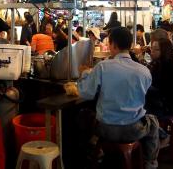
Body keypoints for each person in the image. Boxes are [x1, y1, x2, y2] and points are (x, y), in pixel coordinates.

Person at [66, 27, 159, 169]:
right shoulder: (144, 71)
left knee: (82, 116)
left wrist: (85, 75)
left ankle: (92, 153)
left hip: (106, 130)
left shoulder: (103, 67)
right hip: (134, 130)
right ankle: (150, 163)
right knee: (152, 121)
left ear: (113, 44)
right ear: (129, 45)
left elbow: (86, 93)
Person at [146, 38, 173, 117]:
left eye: (156, 49)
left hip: (163, 107)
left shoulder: (168, 67)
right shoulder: (156, 63)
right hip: (159, 103)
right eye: (152, 48)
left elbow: (162, 90)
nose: (152, 51)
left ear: (165, 51)